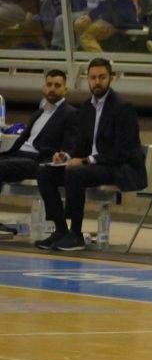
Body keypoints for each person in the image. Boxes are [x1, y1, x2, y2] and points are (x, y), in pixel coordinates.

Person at [35, 58, 147, 251]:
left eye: (102, 77)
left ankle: (76, 234)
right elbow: (80, 145)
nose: (97, 82)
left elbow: (122, 151)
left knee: (75, 173)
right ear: (87, 79)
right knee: (45, 172)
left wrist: (87, 160)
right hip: (94, 165)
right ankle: (61, 229)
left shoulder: (123, 107)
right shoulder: (86, 107)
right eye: (93, 77)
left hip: (117, 167)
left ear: (111, 78)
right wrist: (66, 156)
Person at [0, 70, 78, 236]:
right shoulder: (39, 112)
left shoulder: (70, 113)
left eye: (57, 85)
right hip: (19, 153)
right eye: (49, 84)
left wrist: (63, 155)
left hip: (39, 160)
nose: (52, 89)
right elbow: (23, 140)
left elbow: (72, 146)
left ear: (65, 89)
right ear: (44, 87)